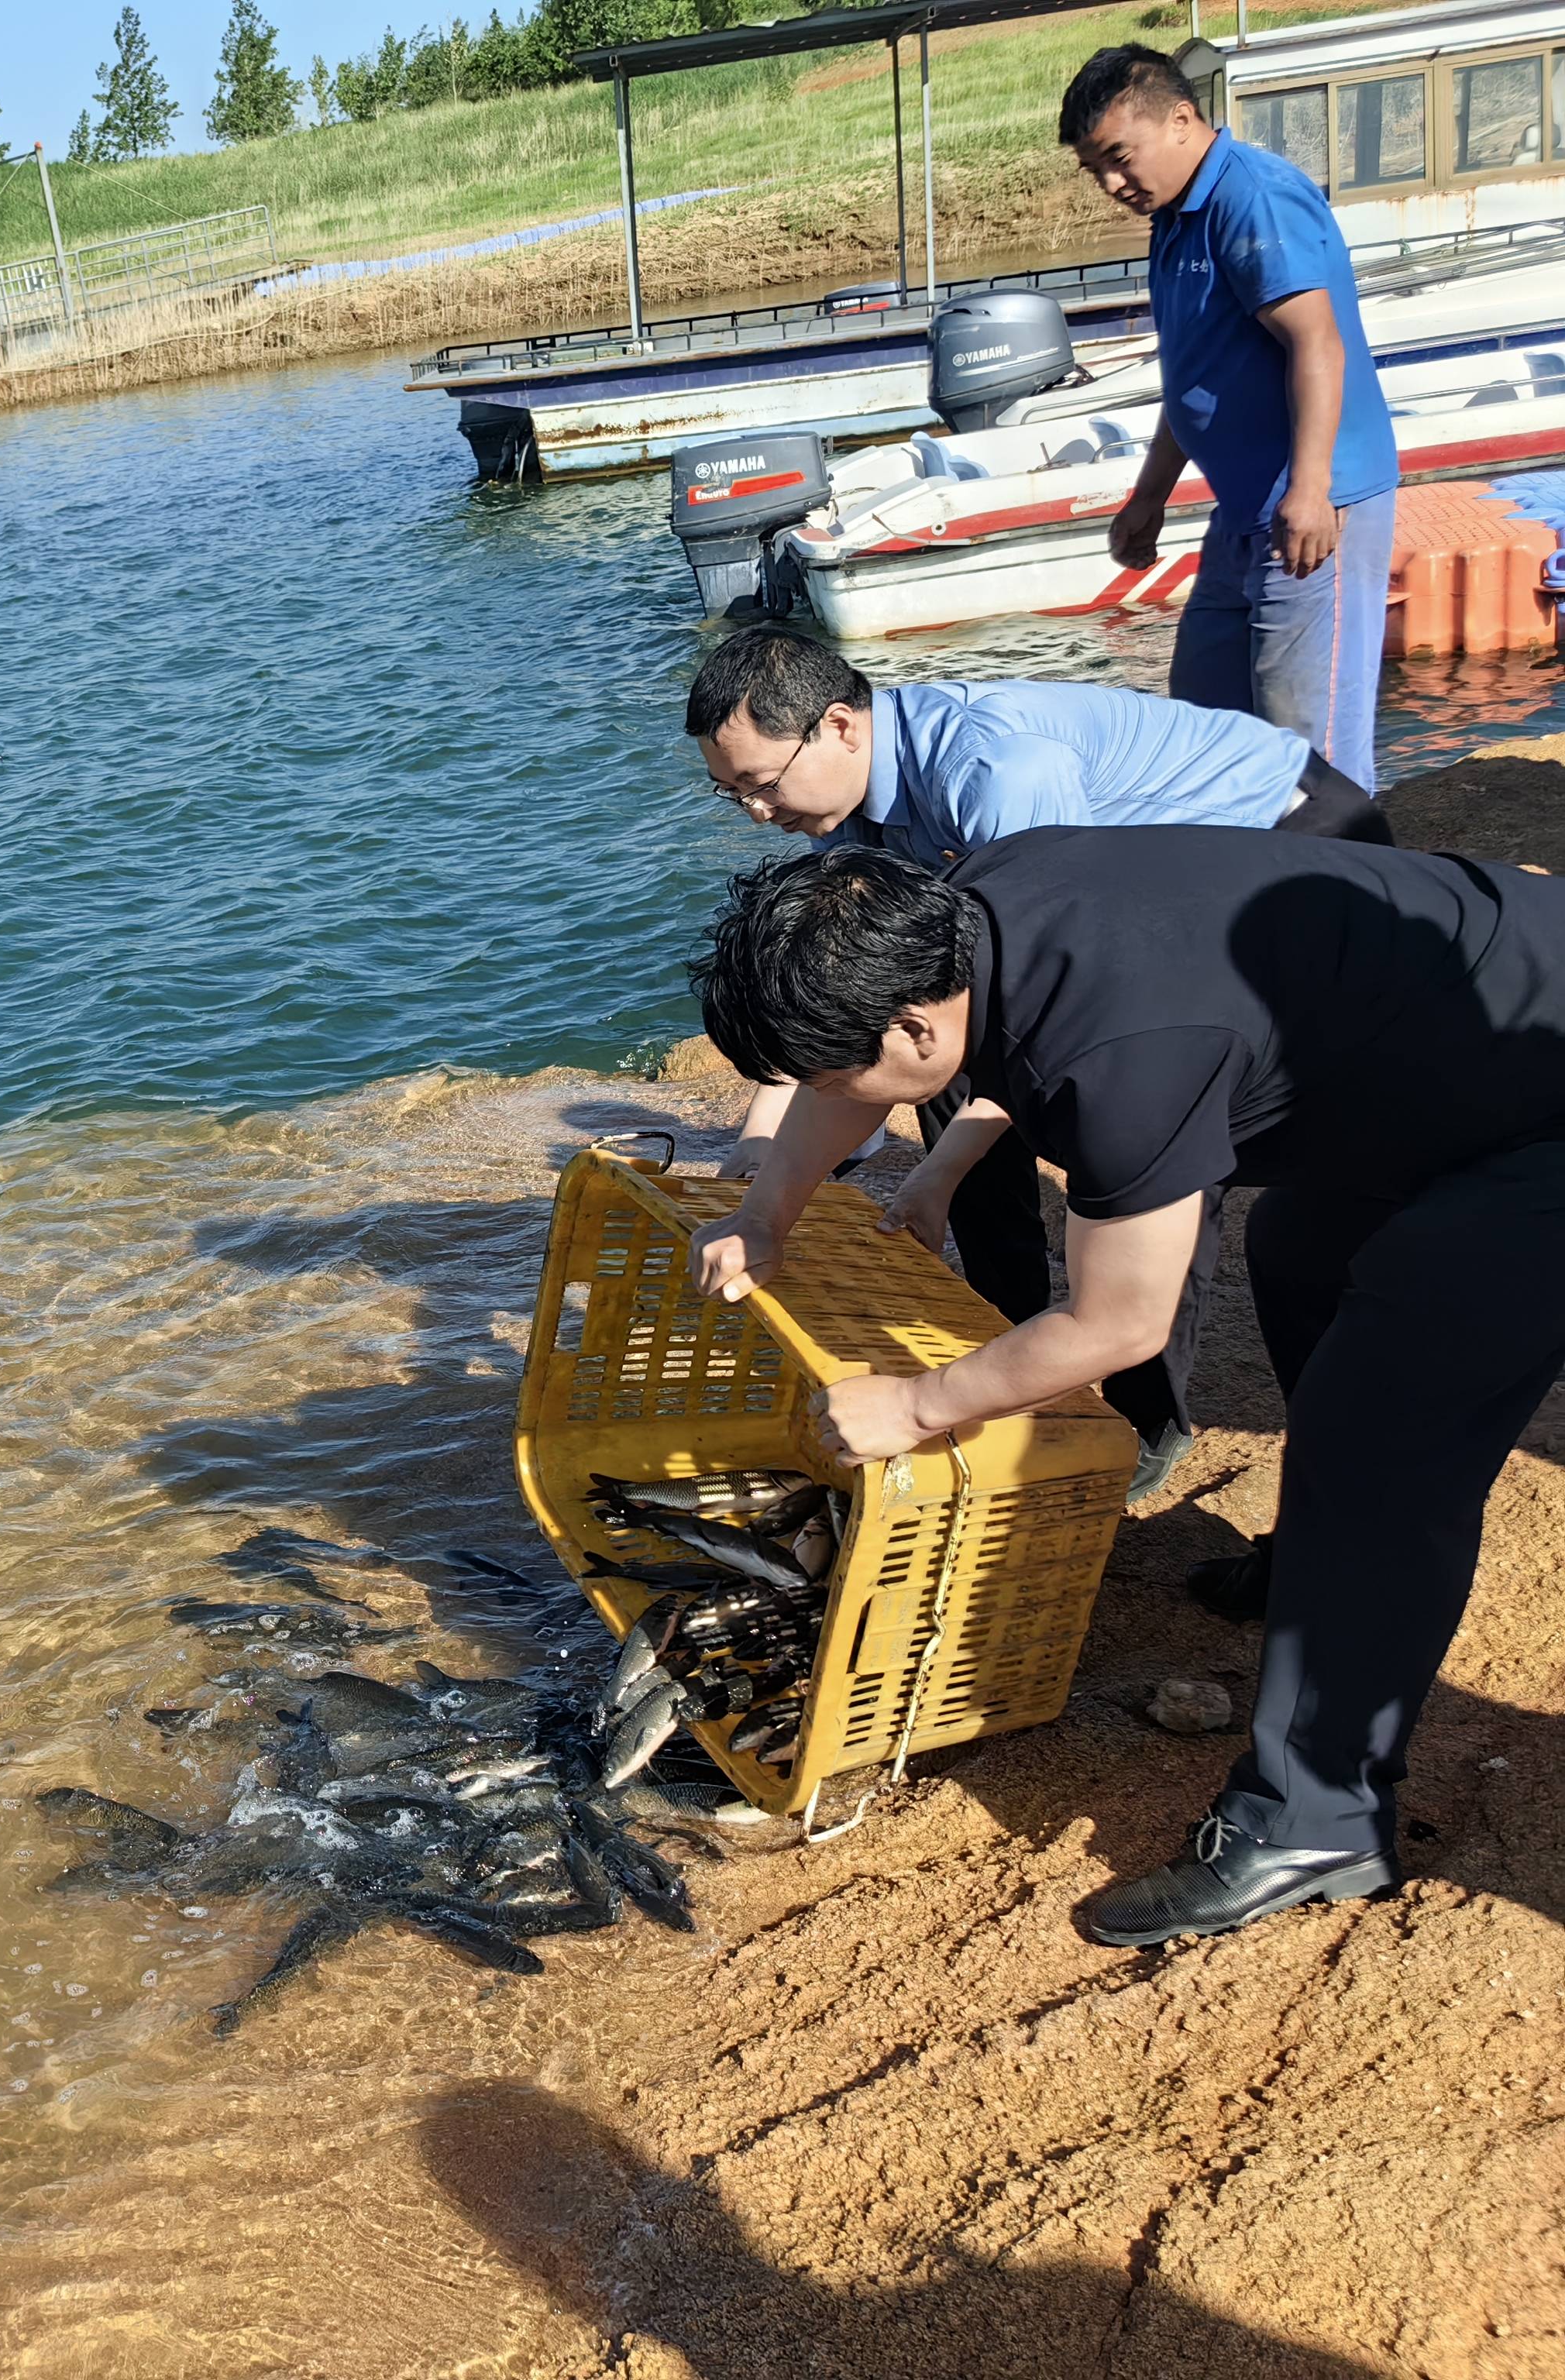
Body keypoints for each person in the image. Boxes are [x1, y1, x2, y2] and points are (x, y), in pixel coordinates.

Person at [683, 834, 1565, 1943]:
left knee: (1381, 1429)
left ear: (916, 1027)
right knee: (1301, 1256)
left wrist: (914, 1406)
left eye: (830, 1067)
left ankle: (1316, 1818)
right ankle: (1322, 1578)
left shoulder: (1118, 1055)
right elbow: (851, 1086)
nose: (827, 1094)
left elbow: (1117, 1322)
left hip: (1544, 1104)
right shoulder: (957, 915)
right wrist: (767, 1214)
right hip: (1459, 1048)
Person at [686, 624, 1388, 1498]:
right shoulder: (847, 809)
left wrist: (939, 1172)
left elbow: (1063, 997)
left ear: (838, 725)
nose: (756, 813)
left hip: (1293, 841)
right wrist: (763, 1179)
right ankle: (1009, 1334)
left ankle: (1141, 1425)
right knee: (931, 1060)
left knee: (1154, 1146)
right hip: (1124, 914)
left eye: (760, 786)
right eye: (732, 797)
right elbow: (839, 1000)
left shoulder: (1000, 776)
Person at [1061, 45, 1398, 786]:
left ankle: (1352, 893)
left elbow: (1318, 342)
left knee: (1309, 752)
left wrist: (1311, 492)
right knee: (1209, 716)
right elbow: (1194, 378)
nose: (1114, 184)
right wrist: (1147, 497)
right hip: (1244, 510)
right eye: (1096, 171)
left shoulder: (1254, 197)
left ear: (1181, 119)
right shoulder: (1175, 218)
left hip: (1317, 503)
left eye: (1121, 157)